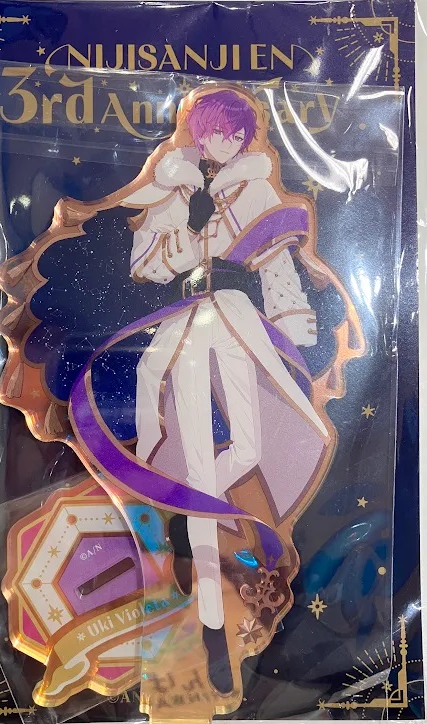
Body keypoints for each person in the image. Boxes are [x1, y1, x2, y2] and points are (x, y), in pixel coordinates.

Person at [120, 89, 329, 692]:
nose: (219, 144)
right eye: (210, 133)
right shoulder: (176, 186)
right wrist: (183, 223)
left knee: (249, 447)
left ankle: (193, 504)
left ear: (243, 138)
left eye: (230, 135)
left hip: (236, 321)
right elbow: (146, 265)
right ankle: (213, 626)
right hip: (188, 327)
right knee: (196, 461)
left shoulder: (256, 188)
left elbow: (279, 268)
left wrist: (295, 332)